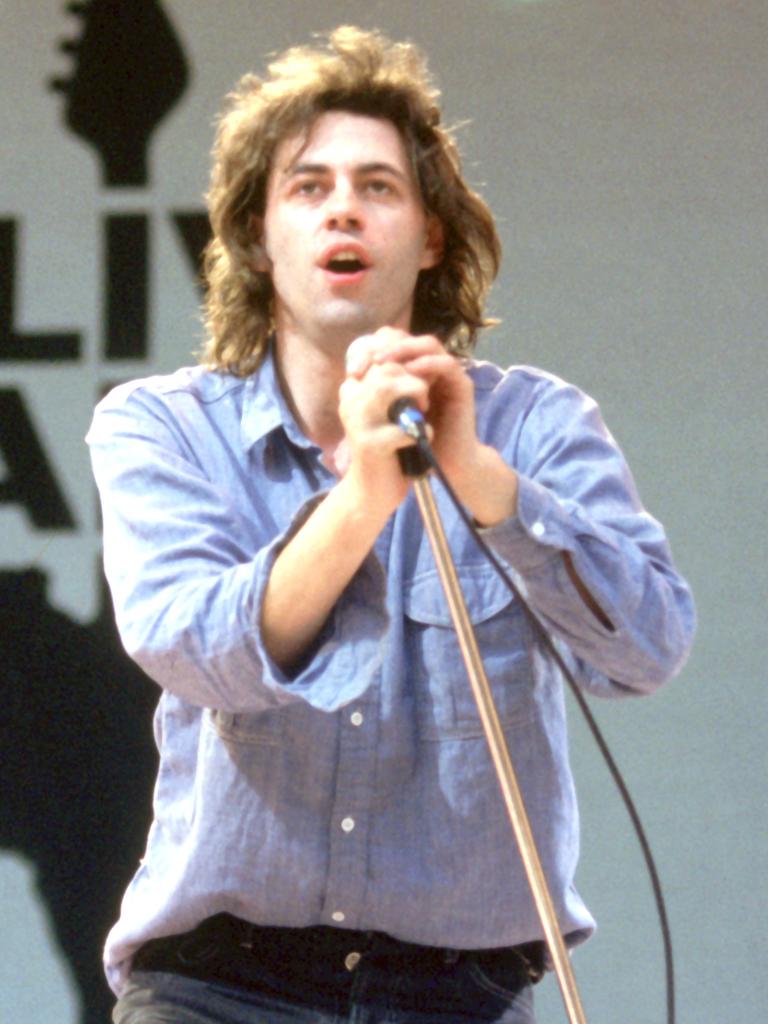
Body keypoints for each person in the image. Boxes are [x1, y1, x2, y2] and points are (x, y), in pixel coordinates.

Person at [87, 25, 695, 1024]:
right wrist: (369, 487)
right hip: (217, 987)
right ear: (255, 235)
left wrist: (476, 472)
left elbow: (647, 647)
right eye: (308, 185)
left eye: (378, 186)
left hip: (458, 995)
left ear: (432, 235)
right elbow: (192, 647)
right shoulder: (165, 427)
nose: (344, 210)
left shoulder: (534, 426)